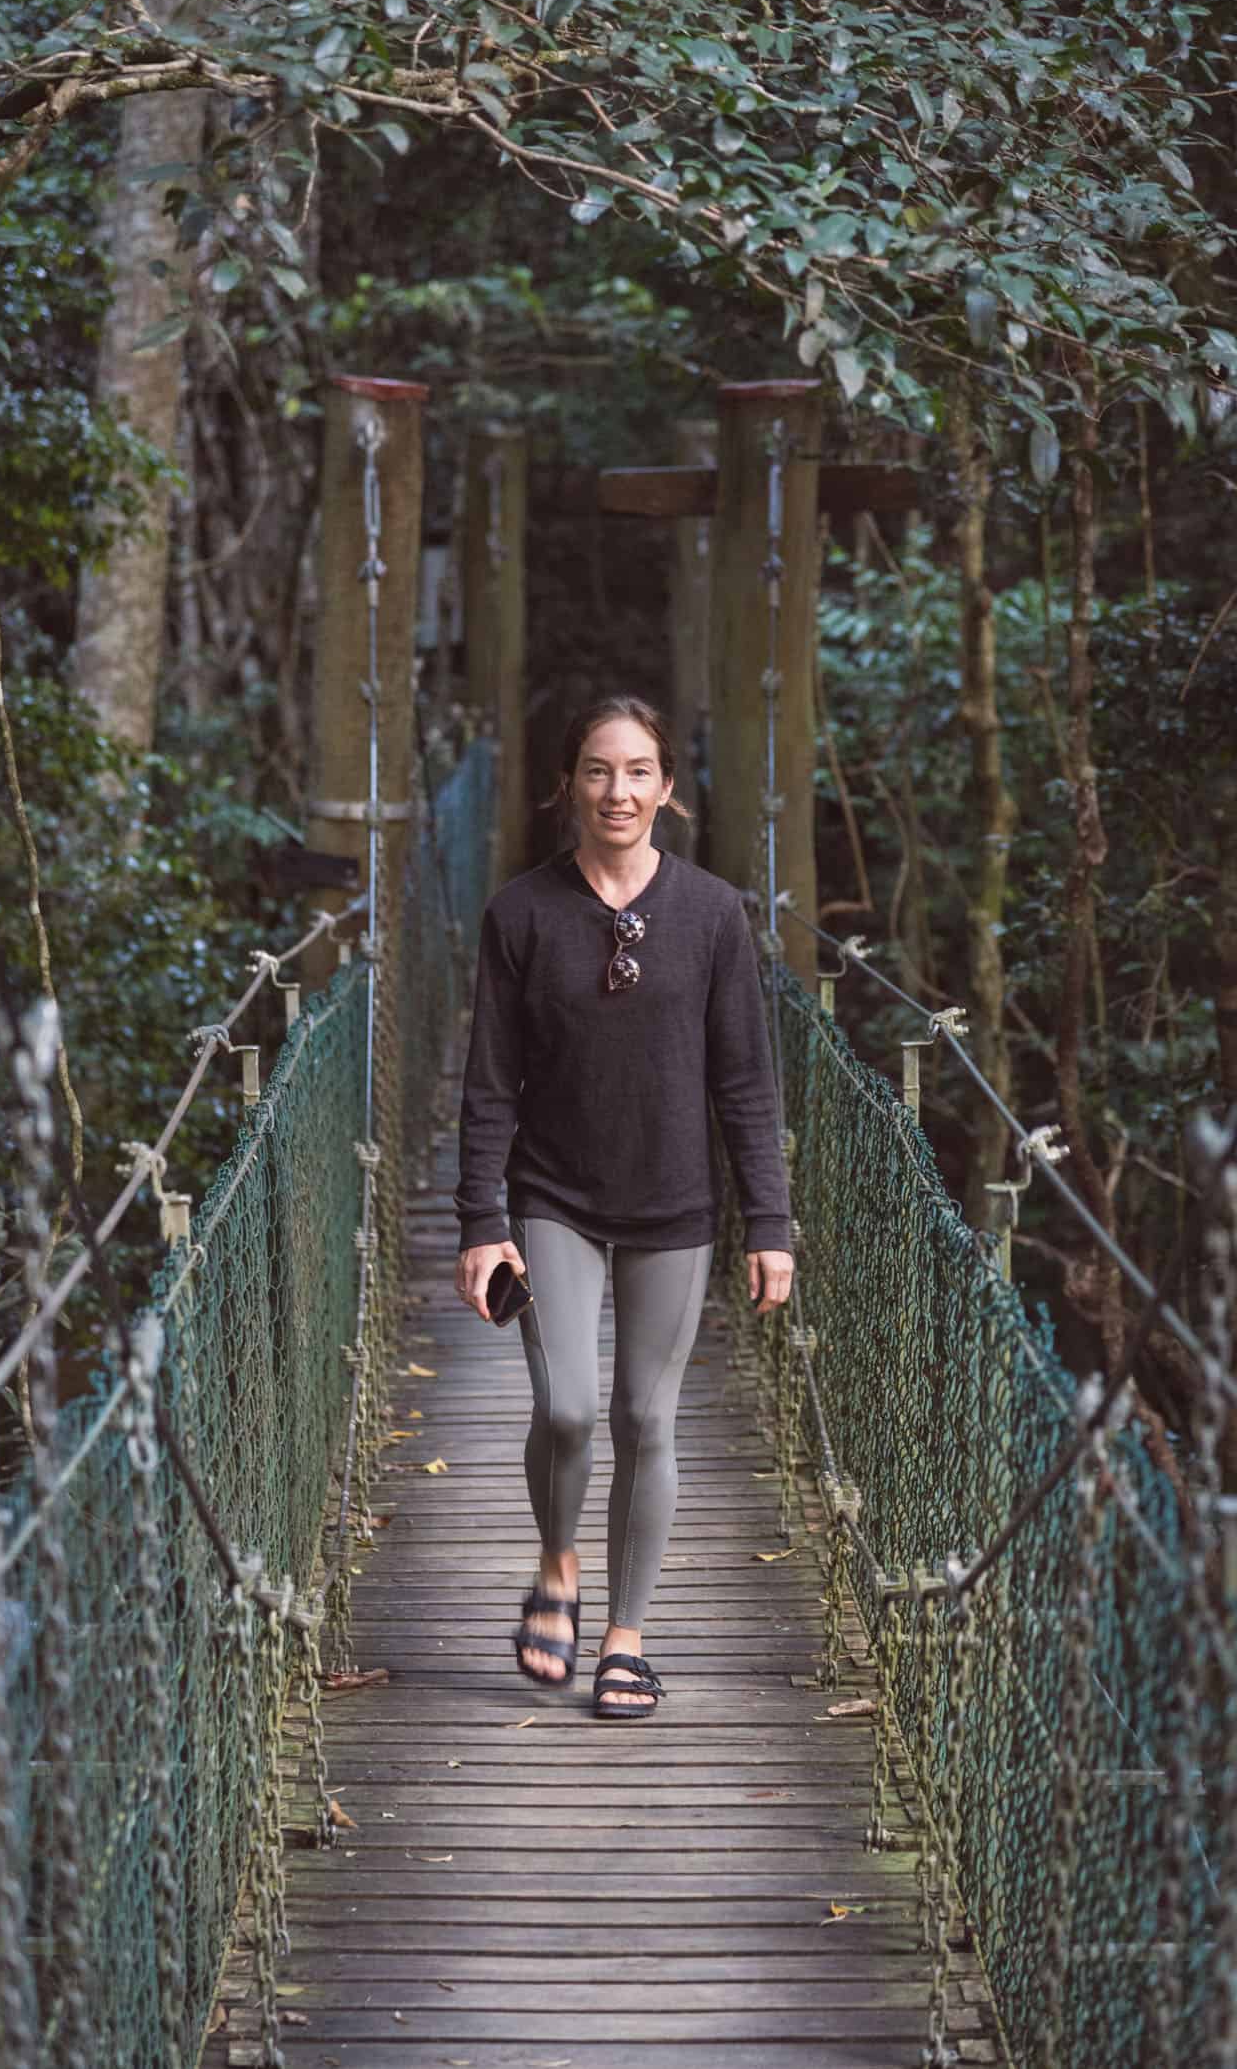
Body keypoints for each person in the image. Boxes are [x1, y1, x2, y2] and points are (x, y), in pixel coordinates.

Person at [453, 695, 795, 1718]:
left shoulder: (712, 915)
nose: (619, 791)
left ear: (668, 789)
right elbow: (485, 1084)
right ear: (570, 785)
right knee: (567, 1407)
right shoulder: (520, 913)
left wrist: (769, 1227)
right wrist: (481, 1222)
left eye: (640, 771)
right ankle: (556, 1568)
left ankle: (624, 1637)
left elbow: (744, 1081)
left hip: (675, 1202)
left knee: (647, 1417)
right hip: (551, 1193)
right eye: (599, 771)